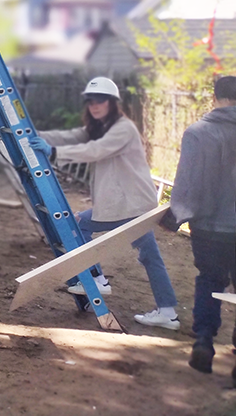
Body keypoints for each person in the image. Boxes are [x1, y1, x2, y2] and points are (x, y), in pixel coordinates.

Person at [31, 77, 180, 329]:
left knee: (79, 224)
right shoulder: (102, 127)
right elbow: (74, 136)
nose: (94, 105)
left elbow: (96, 150)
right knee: (150, 256)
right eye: (90, 101)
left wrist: (54, 152)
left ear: (112, 103)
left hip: (128, 205)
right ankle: (168, 312)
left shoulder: (122, 129)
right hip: (132, 204)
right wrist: (35, 136)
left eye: (100, 101)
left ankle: (97, 278)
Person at [161, 75, 236, 379]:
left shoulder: (197, 133)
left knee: (209, 280)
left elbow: (187, 182)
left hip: (208, 228)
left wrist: (176, 215)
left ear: (215, 97)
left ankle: (204, 342)